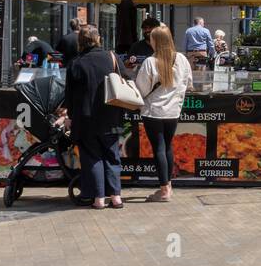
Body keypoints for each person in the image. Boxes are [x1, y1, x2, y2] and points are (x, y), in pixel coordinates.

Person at [63, 25, 126, 209]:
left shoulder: (75, 63)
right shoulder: (111, 57)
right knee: (112, 155)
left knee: (92, 157)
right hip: (111, 116)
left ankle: (98, 198)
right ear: (98, 38)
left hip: (86, 118)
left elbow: (70, 96)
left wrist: (70, 117)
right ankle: (116, 197)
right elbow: (127, 77)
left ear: (80, 41)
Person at [134, 26, 192, 203]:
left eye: (151, 38)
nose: (149, 41)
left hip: (153, 111)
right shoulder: (182, 59)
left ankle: (164, 190)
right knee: (167, 147)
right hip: (173, 111)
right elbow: (188, 84)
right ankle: (168, 186)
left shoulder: (150, 62)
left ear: (156, 41)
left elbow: (140, 89)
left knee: (159, 148)